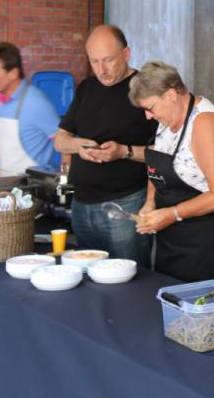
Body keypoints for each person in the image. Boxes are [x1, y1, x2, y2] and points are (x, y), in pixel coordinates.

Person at [128, 61, 214, 281]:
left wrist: (172, 214)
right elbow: (157, 163)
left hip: (211, 240)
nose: (147, 116)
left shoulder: (205, 124)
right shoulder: (167, 120)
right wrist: (151, 202)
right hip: (174, 237)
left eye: (150, 107)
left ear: (171, 94)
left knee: (208, 313)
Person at [53, 25, 156, 265]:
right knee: (89, 279)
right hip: (81, 205)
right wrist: (78, 146)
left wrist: (123, 152)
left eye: (108, 60)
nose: (101, 70)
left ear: (127, 54)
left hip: (126, 204)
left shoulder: (146, 90)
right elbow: (60, 140)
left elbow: (166, 154)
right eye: (94, 61)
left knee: (129, 279)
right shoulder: (87, 88)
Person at [0, 42, 60, 174]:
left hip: (33, 186)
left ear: (13, 73)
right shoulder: (3, 100)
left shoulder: (36, 102)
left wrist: (67, 181)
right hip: (8, 183)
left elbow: (65, 141)